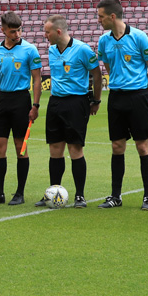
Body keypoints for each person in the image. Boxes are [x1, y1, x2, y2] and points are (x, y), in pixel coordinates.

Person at [32, 14, 102, 209]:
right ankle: (54, 193)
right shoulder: (52, 50)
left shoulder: (82, 50)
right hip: (55, 102)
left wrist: (96, 100)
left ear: (58, 31)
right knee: (55, 150)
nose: (45, 35)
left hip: (76, 103)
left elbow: (97, 74)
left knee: (75, 149)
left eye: (47, 32)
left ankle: (80, 196)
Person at [95, 0, 148, 210]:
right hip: (116, 98)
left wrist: (144, 94)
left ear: (112, 17)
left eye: (101, 16)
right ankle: (115, 196)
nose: (99, 20)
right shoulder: (104, 41)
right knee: (117, 146)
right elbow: (108, 66)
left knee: (142, 146)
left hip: (138, 97)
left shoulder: (139, 37)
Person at [0, 11, 42, 206]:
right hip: (1, 100)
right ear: (3, 30)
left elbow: (37, 79)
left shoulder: (30, 49)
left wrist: (35, 105)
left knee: (20, 147)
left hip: (21, 100)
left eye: (19, 30)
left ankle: (20, 193)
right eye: (13, 31)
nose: (17, 34)